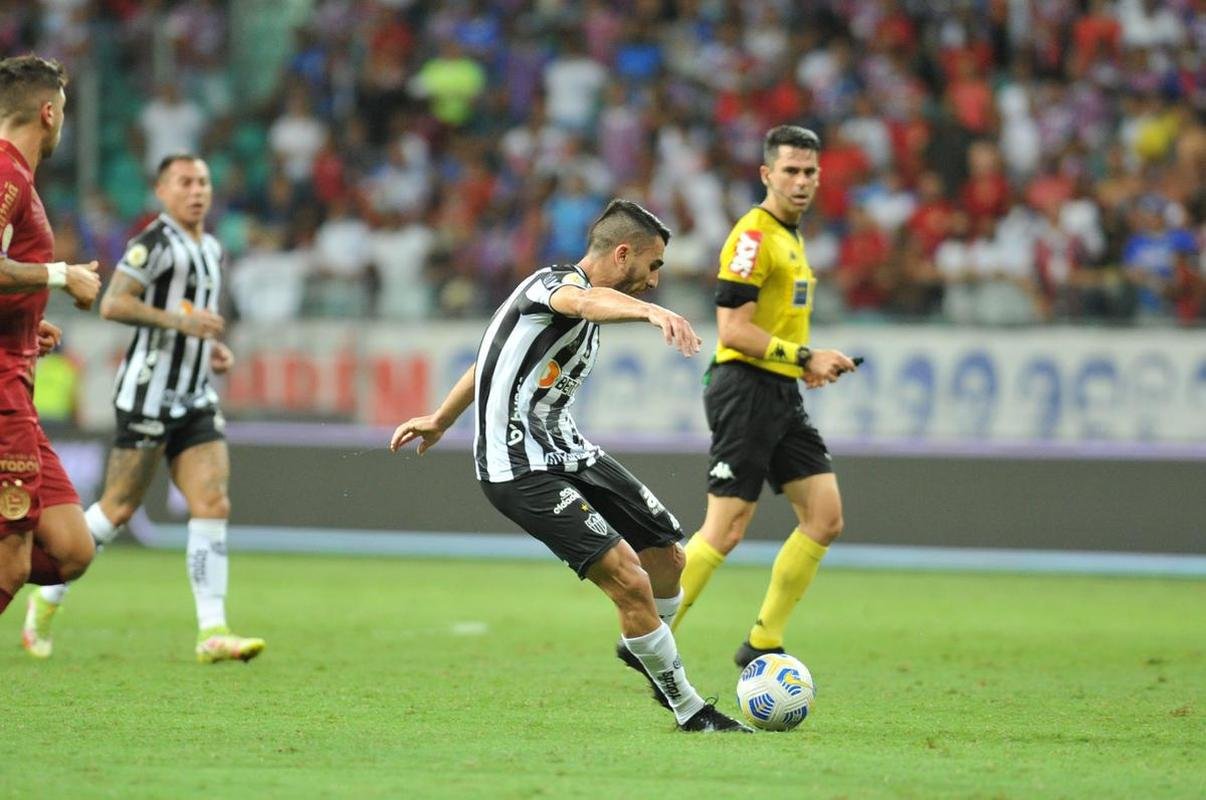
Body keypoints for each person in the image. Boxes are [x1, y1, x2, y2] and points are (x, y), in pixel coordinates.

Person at [390, 199, 750, 732]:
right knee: (629, 579)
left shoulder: (573, 307)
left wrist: (442, 418)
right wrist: (653, 314)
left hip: (568, 451)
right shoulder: (553, 286)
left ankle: (642, 645)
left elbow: (490, 357)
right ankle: (689, 709)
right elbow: (583, 302)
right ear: (622, 254)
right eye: (653, 265)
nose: (654, 281)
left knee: (669, 557)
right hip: (518, 467)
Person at [23, 154, 265, 665]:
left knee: (213, 503)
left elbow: (194, 318)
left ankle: (212, 630)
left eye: (203, 182)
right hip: (148, 394)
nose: (196, 191)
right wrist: (182, 325)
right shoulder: (152, 244)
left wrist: (210, 348)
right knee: (117, 508)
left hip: (194, 394)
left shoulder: (211, 247)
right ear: (162, 191)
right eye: (185, 182)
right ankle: (47, 597)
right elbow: (114, 303)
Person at [670, 126, 858, 668]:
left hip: (778, 389)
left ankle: (763, 641)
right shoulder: (754, 236)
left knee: (824, 517)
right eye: (790, 171)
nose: (801, 181)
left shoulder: (790, 237)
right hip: (744, 387)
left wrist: (803, 364)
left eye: (809, 172)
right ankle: (651, 635)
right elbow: (732, 330)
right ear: (766, 174)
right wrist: (805, 356)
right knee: (725, 528)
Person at [0, 54, 102, 619]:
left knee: (70, 549)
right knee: (11, 565)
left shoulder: (19, 179)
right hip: (2, 394)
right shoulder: (6, 174)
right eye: (62, 109)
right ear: (47, 112)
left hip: (17, 387)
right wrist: (62, 275)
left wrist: (25, 317)